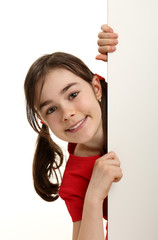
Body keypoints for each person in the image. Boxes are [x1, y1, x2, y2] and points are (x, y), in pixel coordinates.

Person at [24, 24, 122, 240]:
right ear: (44, 121)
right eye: (51, 109)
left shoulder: (128, 104)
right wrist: (94, 196)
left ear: (96, 88)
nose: (67, 113)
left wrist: (125, 49)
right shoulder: (75, 179)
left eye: (73, 94)